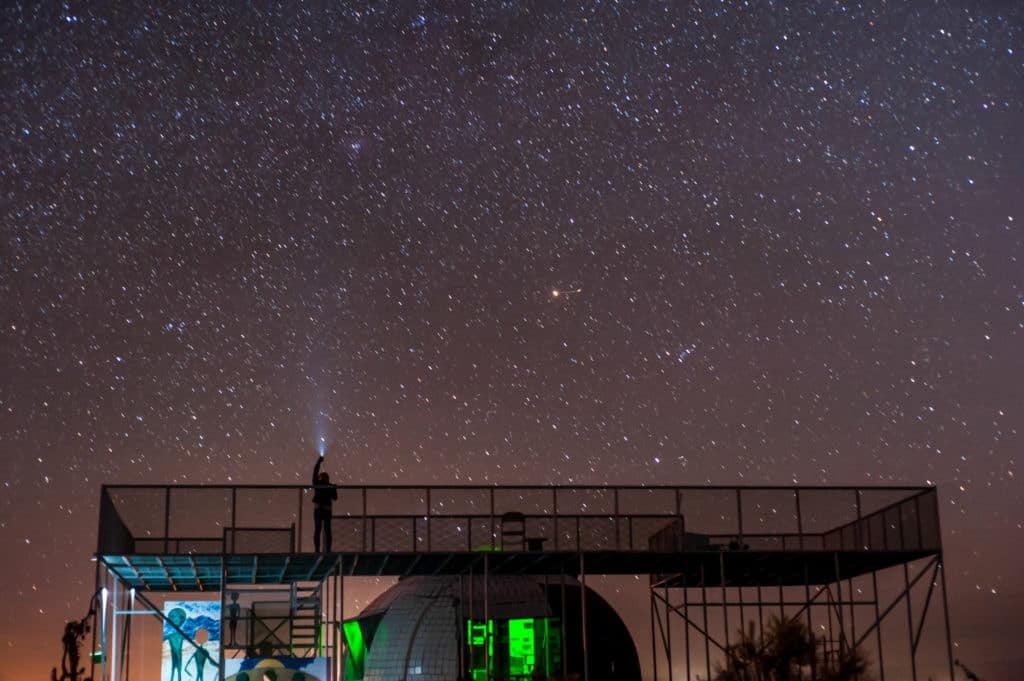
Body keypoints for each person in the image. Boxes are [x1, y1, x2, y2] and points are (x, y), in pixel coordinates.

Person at [312, 456, 337, 553]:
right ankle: (328, 550)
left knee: (317, 529)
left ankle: (317, 550)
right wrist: (334, 488)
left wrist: (318, 462)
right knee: (327, 531)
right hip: (327, 509)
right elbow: (335, 498)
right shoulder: (331, 486)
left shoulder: (317, 484)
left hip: (318, 509)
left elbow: (314, 472)